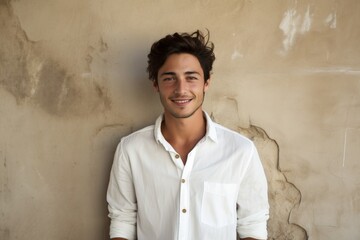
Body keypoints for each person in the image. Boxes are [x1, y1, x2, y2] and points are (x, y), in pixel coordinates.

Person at [106, 30, 269, 240]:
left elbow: (252, 225)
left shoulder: (240, 151)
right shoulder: (131, 150)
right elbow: (122, 221)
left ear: (206, 82)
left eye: (191, 77)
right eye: (169, 78)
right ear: (155, 84)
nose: (181, 89)